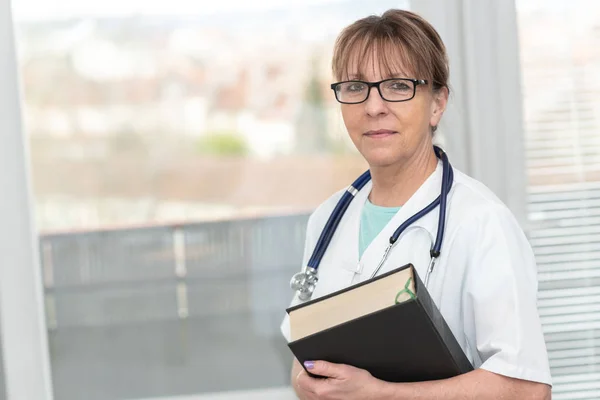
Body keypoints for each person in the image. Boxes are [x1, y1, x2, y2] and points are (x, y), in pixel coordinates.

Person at [280, 8, 552, 400]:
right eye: (356, 87)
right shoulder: (327, 219)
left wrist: (380, 393)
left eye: (396, 85)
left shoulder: (480, 222)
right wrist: (306, 381)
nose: (374, 106)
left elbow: (528, 390)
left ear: (437, 102)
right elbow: (306, 349)